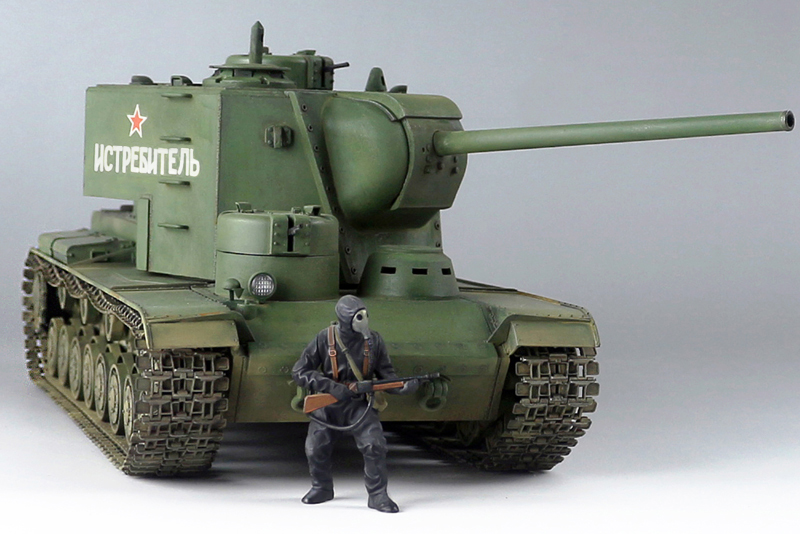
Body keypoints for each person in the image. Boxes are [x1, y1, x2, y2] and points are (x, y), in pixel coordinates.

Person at [292, 295, 418, 513]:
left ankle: (377, 495)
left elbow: (387, 375)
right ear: (344, 319)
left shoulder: (374, 341)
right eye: (358, 317)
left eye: (365, 315)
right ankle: (321, 487)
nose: (364, 320)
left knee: (374, 445)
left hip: (360, 404)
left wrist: (401, 388)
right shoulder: (324, 338)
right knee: (315, 447)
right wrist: (330, 386)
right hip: (329, 403)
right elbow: (300, 371)